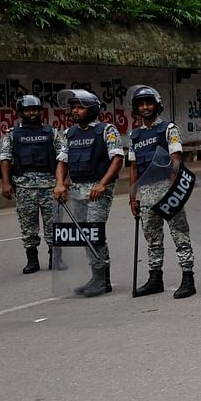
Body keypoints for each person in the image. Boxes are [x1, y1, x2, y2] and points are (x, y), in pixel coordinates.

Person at [54, 89, 125, 297]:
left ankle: (103, 278)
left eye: (80, 107)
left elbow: (117, 158)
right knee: (85, 233)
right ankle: (97, 277)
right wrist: (60, 183)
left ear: (92, 109)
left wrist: (103, 184)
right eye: (73, 107)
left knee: (94, 231)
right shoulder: (69, 133)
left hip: (98, 189)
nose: (75, 111)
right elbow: (62, 161)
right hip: (78, 188)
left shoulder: (106, 130)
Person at [127, 85, 196, 298]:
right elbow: (134, 167)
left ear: (157, 105)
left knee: (179, 234)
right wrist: (133, 196)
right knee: (152, 238)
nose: (145, 107)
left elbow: (176, 159)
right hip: (145, 193)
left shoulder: (168, 128)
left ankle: (188, 278)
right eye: (141, 104)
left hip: (167, 189)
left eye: (149, 103)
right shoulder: (135, 135)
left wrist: (172, 188)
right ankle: (155, 278)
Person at [0, 95, 63, 275]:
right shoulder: (12, 134)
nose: (32, 113)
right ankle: (32, 259)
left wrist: (62, 182)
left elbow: (62, 157)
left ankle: (55, 257)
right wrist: (5, 183)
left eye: (35, 109)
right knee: (28, 225)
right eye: (28, 110)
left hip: (50, 186)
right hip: (24, 187)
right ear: (21, 112)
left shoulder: (51, 132)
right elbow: (5, 158)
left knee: (54, 223)